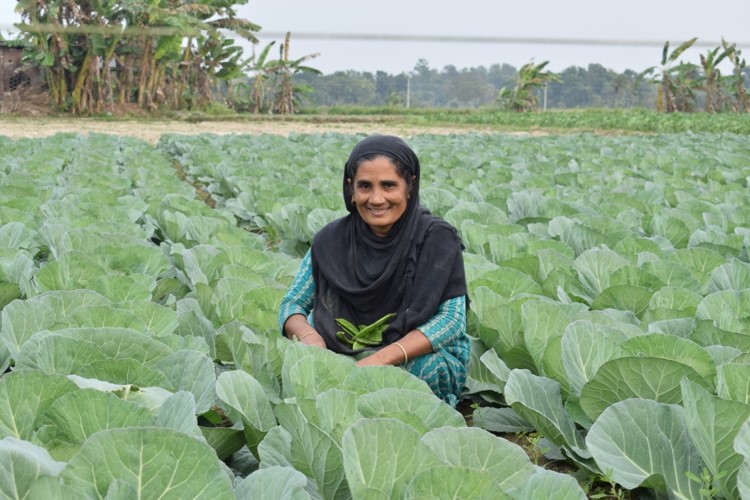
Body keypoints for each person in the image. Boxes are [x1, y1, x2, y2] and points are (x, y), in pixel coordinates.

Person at [278, 134, 469, 407]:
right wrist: (310, 337)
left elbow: (451, 321)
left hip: (413, 353)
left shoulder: (437, 239)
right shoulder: (331, 239)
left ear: (410, 187)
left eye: (389, 185)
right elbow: (292, 303)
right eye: (365, 186)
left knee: (424, 372)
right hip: (343, 350)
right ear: (351, 190)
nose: (376, 199)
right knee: (298, 362)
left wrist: (379, 360)